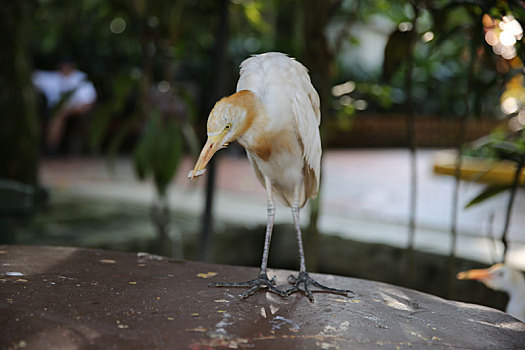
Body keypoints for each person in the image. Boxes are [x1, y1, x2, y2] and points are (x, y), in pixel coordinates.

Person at [32, 59, 97, 154]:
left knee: (59, 114)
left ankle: (52, 147)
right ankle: (51, 148)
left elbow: (89, 100)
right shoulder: (52, 78)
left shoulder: (80, 77)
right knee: (58, 115)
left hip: (78, 108)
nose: (65, 69)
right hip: (57, 110)